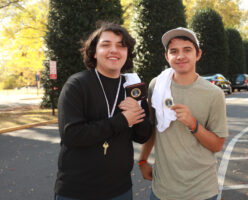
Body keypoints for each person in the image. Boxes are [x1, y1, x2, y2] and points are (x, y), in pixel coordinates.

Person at [54, 22, 152, 200]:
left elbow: (143, 135)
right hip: (77, 191)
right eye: (106, 45)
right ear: (94, 52)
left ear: (127, 53)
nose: (114, 50)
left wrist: (137, 111)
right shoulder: (77, 84)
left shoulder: (132, 86)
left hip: (121, 190)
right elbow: (72, 135)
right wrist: (123, 120)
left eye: (121, 46)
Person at [138, 27, 228, 200]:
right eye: (174, 51)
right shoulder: (157, 85)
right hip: (161, 189)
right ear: (166, 56)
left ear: (198, 54)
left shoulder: (214, 93)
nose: (180, 56)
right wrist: (142, 160)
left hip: (201, 191)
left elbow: (217, 145)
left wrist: (193, 124)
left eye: (187, 50)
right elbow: (154, 127)